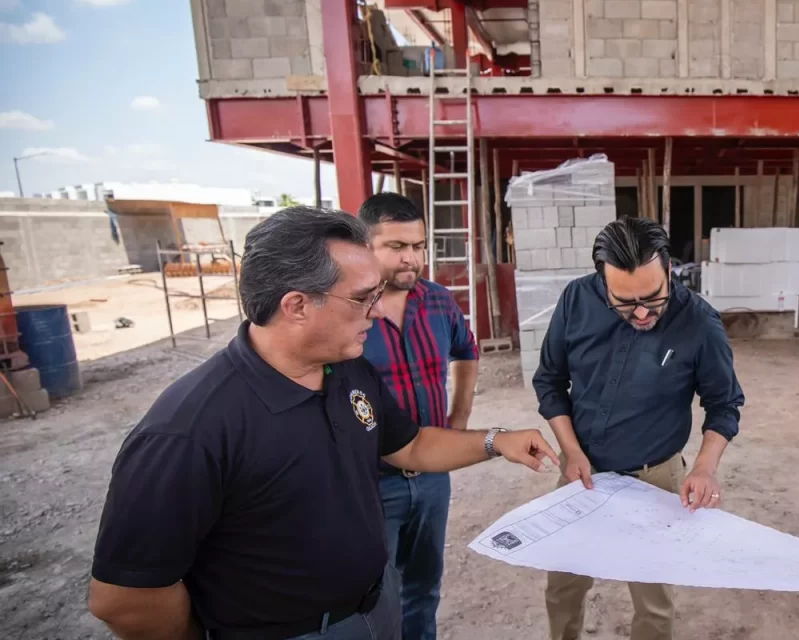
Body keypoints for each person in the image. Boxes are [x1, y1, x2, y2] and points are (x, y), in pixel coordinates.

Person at [87, 206, 557, 640]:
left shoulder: (347, 368)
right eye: (361, 299)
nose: (376, 311)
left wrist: (496, 441)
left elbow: (409, 446)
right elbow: (126, 600)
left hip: (377, 609)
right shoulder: (189, 431)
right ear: (296, 306)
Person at [534, 216, 745, 640]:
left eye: (653, 297)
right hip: (583, 471)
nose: (643, 313)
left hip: (657, 478)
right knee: (563, 585)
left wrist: (703, 467)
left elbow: (724, 404)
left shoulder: (699, 323)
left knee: (653, 599)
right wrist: (570, 451)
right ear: (602, 281)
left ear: (670, 270)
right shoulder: (577, 299)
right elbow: (550, 381)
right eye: (625, 303)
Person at [357, 193, 478, 640]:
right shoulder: (349, 311)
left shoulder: (440, 301)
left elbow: (467, 350)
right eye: (396, 247)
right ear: (365, 246)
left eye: (419, 245)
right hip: (372, 483)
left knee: (424, 587)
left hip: (432, 477)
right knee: (372, 596)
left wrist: (459, 420)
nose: (412, 258)